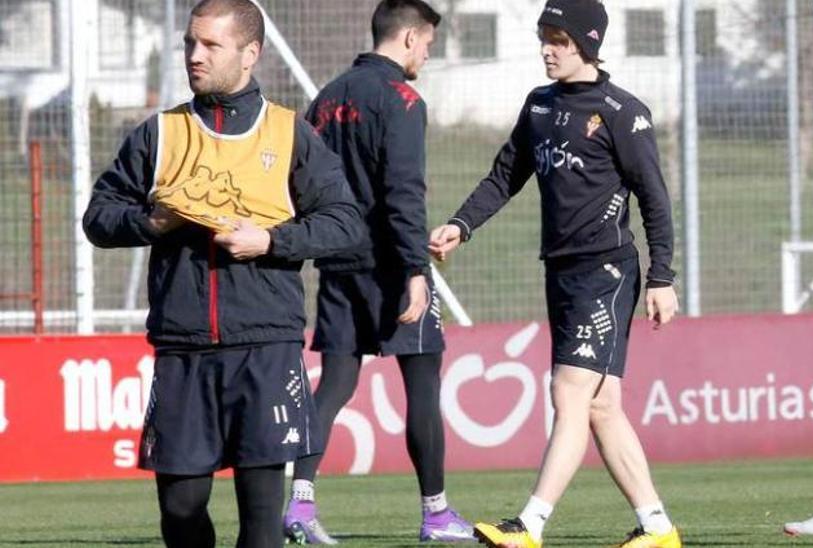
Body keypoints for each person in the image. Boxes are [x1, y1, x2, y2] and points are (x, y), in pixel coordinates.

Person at [81, 1, 366, 546]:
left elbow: (345, 222)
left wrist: (271, 240)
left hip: (265, 347)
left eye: (211, 45)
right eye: (191, 42)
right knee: (182, 510)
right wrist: (151, 220)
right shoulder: (158, 135)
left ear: (250, 53)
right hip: (183, 350)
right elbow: (98, 217)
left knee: (261, 522)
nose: (195, 55)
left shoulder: (289, 134)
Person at [428, 1, 681, 546]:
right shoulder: (539, 106)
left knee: (568, 394)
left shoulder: (622, 111)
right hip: (561, 272)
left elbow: (655, 200)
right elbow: (505, 176)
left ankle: (530, 523)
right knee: (601, 405)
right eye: (544, 37)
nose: (547, 48)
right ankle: (657, 527)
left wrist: (663, 276)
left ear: (587, 44)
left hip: (607, 271)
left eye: (559, 40)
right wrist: (460, 224)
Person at [280, 0, 472, 544]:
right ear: (409, 38)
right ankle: (435, 515)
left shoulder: (324, 100)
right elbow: (403, 192)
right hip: (391, 265)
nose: (428, 56)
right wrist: (415, 268)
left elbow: (301, 185)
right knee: (422, 384)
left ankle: (299, 506)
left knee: (335, 385)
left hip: (339, 263)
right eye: (428, 45)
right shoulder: (402, 100)